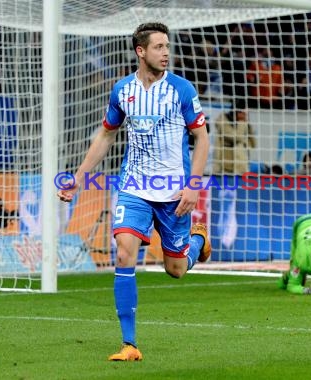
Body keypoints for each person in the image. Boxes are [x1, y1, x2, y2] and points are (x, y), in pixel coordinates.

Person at [57, 22, 212, 362]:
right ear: (141, 51)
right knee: (124, 254)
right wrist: (79, 178)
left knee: (176, 270)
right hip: (134, 187)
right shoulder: (122, 90)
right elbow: (106, 135)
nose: (166, 52)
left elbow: (201, 138)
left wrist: (194, 185)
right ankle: (129, 344)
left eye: (167, 46)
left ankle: (198, 240)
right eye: (159, 47)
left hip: (173, 191)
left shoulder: (182, 90)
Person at [212, 101, 256, 175]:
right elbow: (236, 137)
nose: (246, 117)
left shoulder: (243, 124)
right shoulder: (222, 121)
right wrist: (242, 123)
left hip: (240, 166)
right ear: (238, 113)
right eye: (245, 114)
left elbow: (253, 144)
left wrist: (249, 127)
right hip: (223, 166)